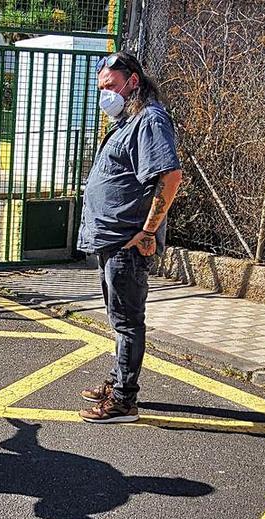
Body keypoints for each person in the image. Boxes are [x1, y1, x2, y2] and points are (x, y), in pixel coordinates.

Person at [76, 52, 184, 424]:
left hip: (127, 242)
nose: (105, 94)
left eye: (110, 86)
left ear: (133, 81)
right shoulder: (128, 120)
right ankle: (118, 381)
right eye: (101, 88)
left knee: (127, 321)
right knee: (118, 319)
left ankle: (123, 401)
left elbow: (169, 178)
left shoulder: (150, 120)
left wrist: (148, 232)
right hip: (112, 240)